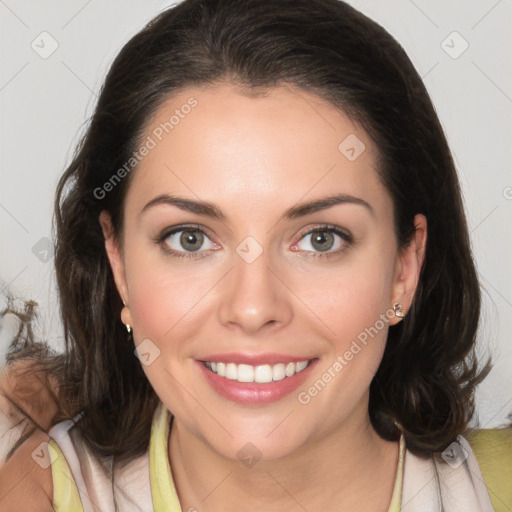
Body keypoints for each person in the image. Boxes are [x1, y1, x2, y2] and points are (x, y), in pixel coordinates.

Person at [0, 0, 509, 510]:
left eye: (320, 238)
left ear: (403, 268)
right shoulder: (31, 491)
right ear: (120, 265)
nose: (253, 307)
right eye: (190, 238)